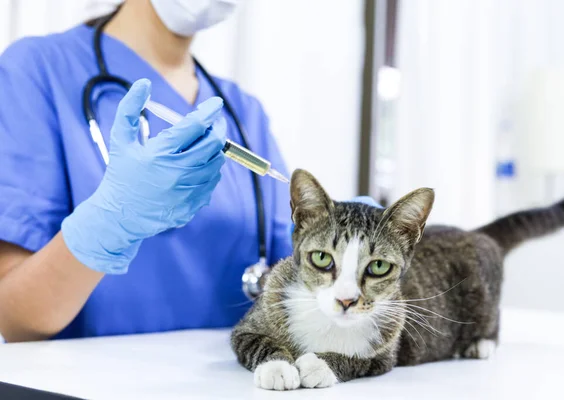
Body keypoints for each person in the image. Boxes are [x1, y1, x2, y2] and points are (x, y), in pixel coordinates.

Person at [0, 0, 378, 343]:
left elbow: (299, 279)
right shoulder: (38, 71)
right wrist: (111, 222)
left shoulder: (243, 112)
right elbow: (12, 317)